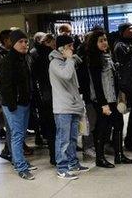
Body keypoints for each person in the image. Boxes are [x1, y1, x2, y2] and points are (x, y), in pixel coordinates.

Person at [87, 29, 132, 168]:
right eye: (100, 41)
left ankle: (119, 155)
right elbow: (96, 84)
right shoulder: (94, 59)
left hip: (114, 98)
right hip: (103, 100)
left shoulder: (108, 55)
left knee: (119, 125)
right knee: (103, 128)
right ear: (94, 43)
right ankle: (100, 158)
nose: (104, 43)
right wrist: (103, 104)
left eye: (105, 40)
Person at [49, 34, 89, 180]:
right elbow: (66, 75)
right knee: (63, 139)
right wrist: (70, 59)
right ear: (62, 49)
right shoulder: (55, 63)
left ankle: (73, 163)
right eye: (70, 47)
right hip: (63, 108)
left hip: (73, 106)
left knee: (72, 138)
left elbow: (75, 84)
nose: (73, 49)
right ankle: (62, 168)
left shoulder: (67, 61)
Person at [0, 29, 36, 180]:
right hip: (14, 104)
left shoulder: (24, 58)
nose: (24, 44)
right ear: (13, 43)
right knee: (17, 135)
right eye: (20, 42)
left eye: (26, 42)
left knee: (21, 134)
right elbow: (5, 86)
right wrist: (12, 105)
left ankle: (19, 161)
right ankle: (20, 167)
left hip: (24, 102)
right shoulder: (7, 60)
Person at [113, 23, 132, 151]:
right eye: (129, 29)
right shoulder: (120, 45)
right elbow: (126, 61)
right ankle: (130, 139)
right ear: (122, 32)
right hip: (128, 83)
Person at [30, 33, 57, 165]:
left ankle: (54, 155)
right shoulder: (50, 56)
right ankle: (56, 155)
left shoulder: (35, 54)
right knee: (54, 126)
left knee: (50, 126)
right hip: (50, 94)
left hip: (43, 95)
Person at [0, 29, 12, 160]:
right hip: (6, 94)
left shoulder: (10, 53)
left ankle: (9, 149)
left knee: (14, 126)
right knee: (11, 126)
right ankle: (9, 151)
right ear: (6, 40)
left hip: (12, 93)